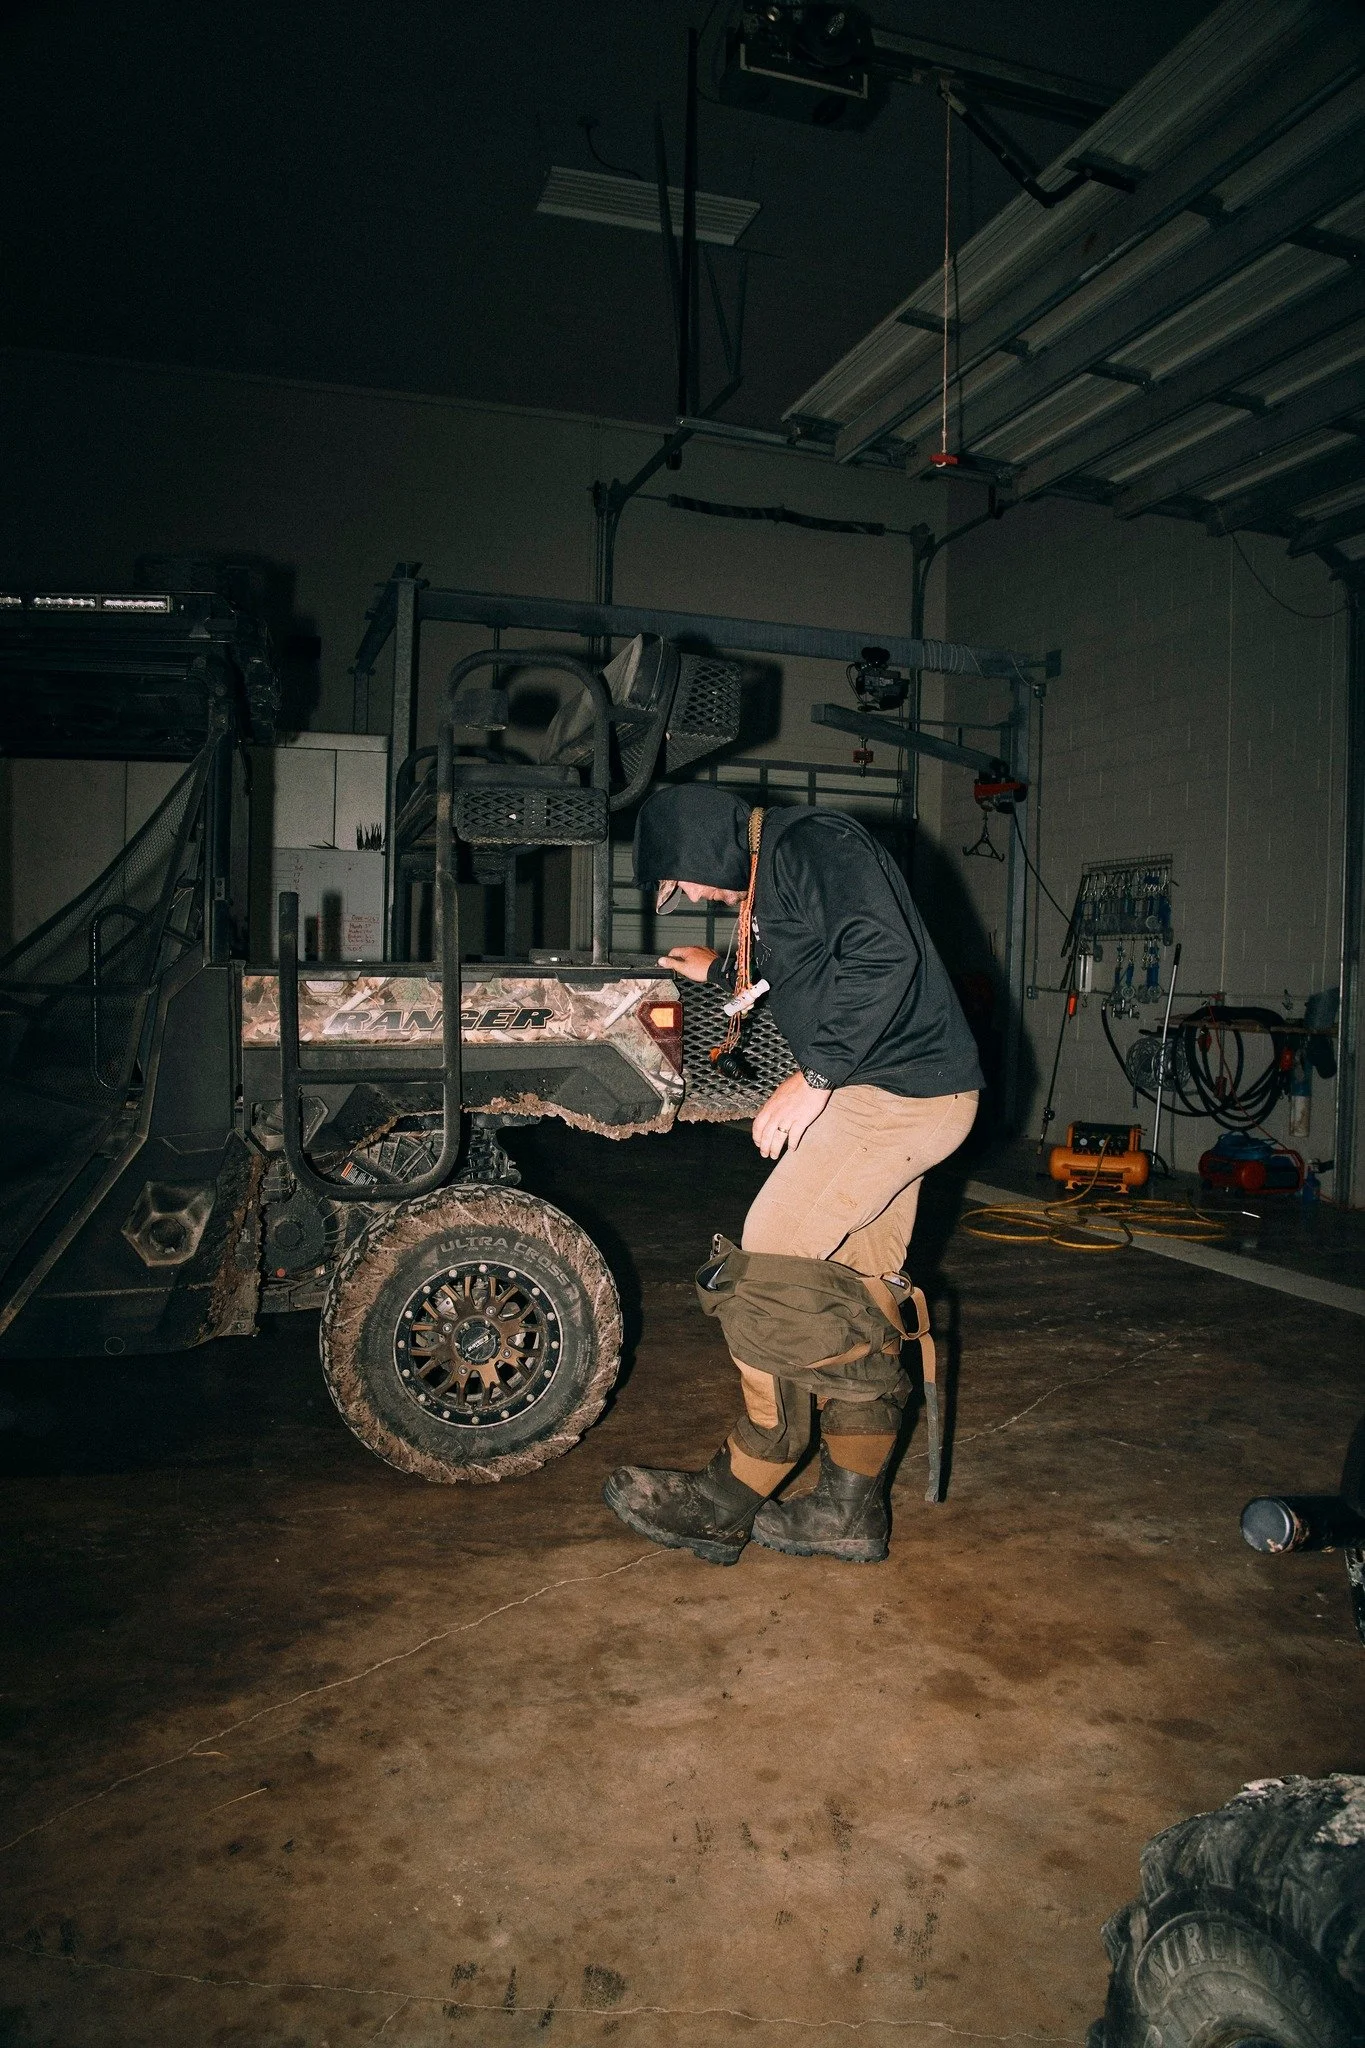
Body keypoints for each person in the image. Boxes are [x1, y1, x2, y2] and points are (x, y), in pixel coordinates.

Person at [603, 784, 982, 1566]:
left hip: (894, 1096)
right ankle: (848, 1509)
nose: (692, 898)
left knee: (768, 1271)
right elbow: (812, 963)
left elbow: (882, 955)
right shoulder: (776, 865)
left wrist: (813, 1077)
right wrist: (720, 973)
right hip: (901, 1092)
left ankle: (727, 1498)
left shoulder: (812, 843)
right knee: (858, 1289)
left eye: (682, 880)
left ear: (703, 841)